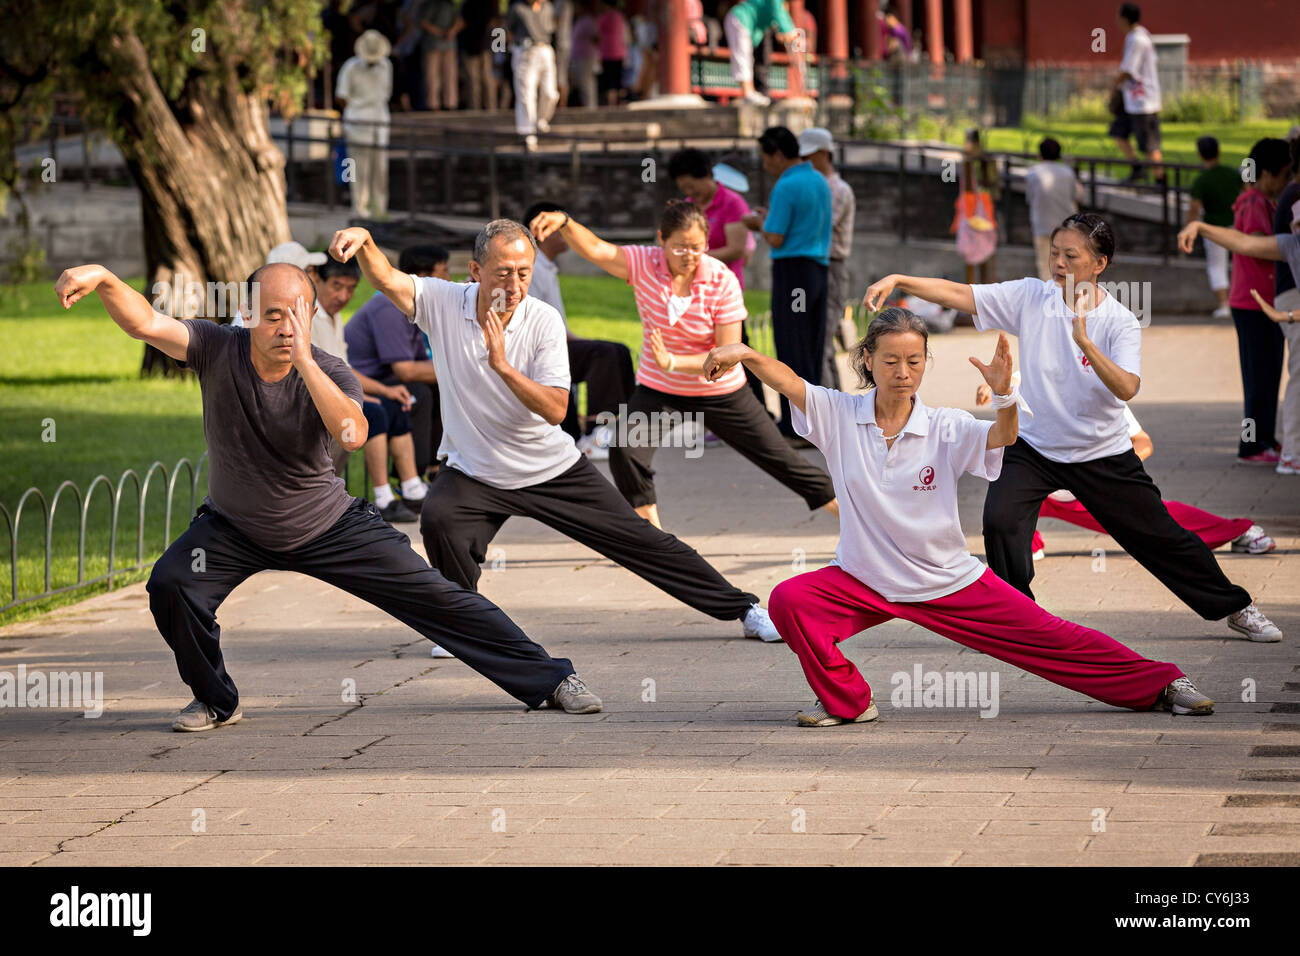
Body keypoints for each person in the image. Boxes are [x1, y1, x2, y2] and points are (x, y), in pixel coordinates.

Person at [53, 261, 604, 728]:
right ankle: (217, 699)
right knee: (172, 584)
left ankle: (553, 679)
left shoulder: (333, 372)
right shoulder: (217, 347)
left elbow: (353, 434)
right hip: (233, 526)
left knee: (440, 598)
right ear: (247, 315)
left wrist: (307, 363)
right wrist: (103, 278)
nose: (285, 328)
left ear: (312, 315)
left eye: (296, 315)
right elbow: (146, 322)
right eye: (272, 315)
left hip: (328, 527)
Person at [701, 308, 1215, 725]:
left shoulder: (945, 426)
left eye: (914, 361)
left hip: (946, 580)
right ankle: (849, 702)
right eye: (891, 361)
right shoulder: (838, 414)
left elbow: (1003, 437)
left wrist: (1006, 393)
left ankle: (1164, 682)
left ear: (925, 363)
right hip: (863, 577)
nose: (903, 372)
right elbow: (790, 382)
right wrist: (743, 352)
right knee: (792, 600)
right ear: (868, 360)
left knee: (1051, 636)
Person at [329, 219, 787, 643]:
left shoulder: (542, 320)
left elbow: (555, 409)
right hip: (475, 471)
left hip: (550, 468)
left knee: (644, 541)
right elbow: (387, 278)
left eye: (524, 273)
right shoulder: (443, 301)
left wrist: (503, 366)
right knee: (440, 518)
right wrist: (366, 241)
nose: (514, 285)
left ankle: (743, 609)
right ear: (474, 270)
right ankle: (462, 625)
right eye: (502, 272)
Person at [864, 212, 1284, 644]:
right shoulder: (1031, 297)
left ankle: (1235, 606)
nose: (1059, 263)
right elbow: (960, 293)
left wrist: (1085, 342)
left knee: (1161, 537)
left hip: (1100, 453)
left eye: (1071, 255)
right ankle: (1019, 620)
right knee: (1000, 521)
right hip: (1033, 446)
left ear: (1099, 263)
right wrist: (901, 279)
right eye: (1054, 253)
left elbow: (1127, 388)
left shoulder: (1119, 321)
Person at [531, 201, 838, 529]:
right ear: (661, 239)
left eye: (697, 247)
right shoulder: (643, 263)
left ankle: (857, 517)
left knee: (784, 462)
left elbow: (726, 354)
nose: (689, 255)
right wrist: (565, 220)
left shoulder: (721, 280)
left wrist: (673, 361)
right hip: (660, 389)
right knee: (625, 450)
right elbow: (596, 249)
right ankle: (652, 537)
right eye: (679, 247)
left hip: (722, 392)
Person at [975, 380, 1276, 558]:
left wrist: (1111, 471)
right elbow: (1002, 382)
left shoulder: (1099, 389)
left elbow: (1142, 442)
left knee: (1156, 520)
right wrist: (991, 386)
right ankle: (1025, 545)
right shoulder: (1028, 377)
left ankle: (1239, 531)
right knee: (1003, 498)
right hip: (1036, 486)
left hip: (1086, 487)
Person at [1179, 205, 1300, 477]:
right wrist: (1200, 227)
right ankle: (1290, 453)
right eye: (1295, 223)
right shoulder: (1292, 245)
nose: (1295, 227)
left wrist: (1286, 314)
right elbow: (1244, 242)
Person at [345, 245, 452, 522]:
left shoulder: (412, 306)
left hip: (385, 380)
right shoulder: (389, 306)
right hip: (362, 384)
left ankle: (427, 476)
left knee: (438, 389)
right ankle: (408, 482)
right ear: (422, 277)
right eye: (444, 273)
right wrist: (458, 368)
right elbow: (406, 371)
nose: (450, 279)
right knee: (415, 394)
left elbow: (422, 363)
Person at [523, 199, 635, 459]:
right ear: (543, 230)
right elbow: (536, 326)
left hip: (557, 343)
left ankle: (615, 424)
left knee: (615, 352)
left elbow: (559, 325)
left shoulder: (547, 268)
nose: (567, 235)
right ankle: (596, 432)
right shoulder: (533, 267)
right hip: (538, 352)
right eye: (561, 227)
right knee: (606, 354)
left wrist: (587, 342)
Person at [743, 126, 831, 441]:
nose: (765, 165)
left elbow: (776, 237)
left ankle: (795, 425)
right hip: (818, 271)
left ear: (778, 155)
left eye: (767, 158)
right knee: (811, 346)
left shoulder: (786, 185)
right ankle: (815, 421)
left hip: (793, 272)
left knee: (791, 346)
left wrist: (757, 223)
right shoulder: (819, 180)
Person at [668, 147, 766, 411]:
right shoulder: (688, 206)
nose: (691, 193)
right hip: (695, 294)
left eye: (693, 186)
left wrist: (694, 256)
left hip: (725, 294)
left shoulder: (732, 203)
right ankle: (713, 411)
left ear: (707, 175)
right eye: (684, 188)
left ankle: (758, 410)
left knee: (739, 352)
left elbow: (735, 249)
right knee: (706, 352)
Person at [1226, 137, 1291, 464]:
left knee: (1267, 375)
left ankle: (1264, 437)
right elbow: (1254, 244)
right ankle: (1251, 444)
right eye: (1284, 175)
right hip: (1254, 304)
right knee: (1258, 379)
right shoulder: (1253, 203)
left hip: (1261, 303)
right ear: (1266, 173)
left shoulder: (1259, 201)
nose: (1286, 183)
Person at [798, 127, 855, 390]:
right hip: (815, 268)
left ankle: (830, 413)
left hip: (831, 267)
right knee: (817, 342)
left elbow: (815, 226)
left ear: (823, 154)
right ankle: (833, 408)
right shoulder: (818, 187)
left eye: (807, 157)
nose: (803, 163)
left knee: (821, 343)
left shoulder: (837, 190)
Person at [335, 29, 392, 220]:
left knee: (380, 171)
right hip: (357, 124)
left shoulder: (386, 66)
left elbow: (386, 93)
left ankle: (379, 209)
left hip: (379, 124)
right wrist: (354, 111)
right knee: (358, 171)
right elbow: (341, 96)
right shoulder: (351, 67)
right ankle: (360, 209)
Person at [1185, 136, 1243, 319]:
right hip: (1236, 224)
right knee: (1241, 263)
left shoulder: (1202, 180)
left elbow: (1194, 208)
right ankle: (1240, 301)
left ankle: (1224, 304)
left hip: (1213, 228)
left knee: (1216, 266)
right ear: (1219, 151)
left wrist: (1188, 228)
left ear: (1200, 154)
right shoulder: (1232, 174)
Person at [1111, 3, 1163, 184]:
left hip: (1142, 102)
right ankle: (1137, 168)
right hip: (1132, 100)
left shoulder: (1137, 39)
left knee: (1149, 145)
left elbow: (1128, 69)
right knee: (1118, 132)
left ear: (1125, 18)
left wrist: (1114, 87)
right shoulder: (1134, 36)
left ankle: (1159, 180)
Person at [723, 0, 800, 107]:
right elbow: (779, 13)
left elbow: (780, 20)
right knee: (742, 55)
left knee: (750, 57)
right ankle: (748, 93)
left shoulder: (780, 5)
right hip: (739, 19)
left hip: (748, 26)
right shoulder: (776, 3)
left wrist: (785, 32)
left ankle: (751, 92)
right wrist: (789, 30)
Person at [1025, 137, 1081, 282]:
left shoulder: (1033, 173)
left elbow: (1030, 198)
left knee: (1045, 266)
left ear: (1040, 154)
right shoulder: (1068, 172)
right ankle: (1067, 300)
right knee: (1068, 265)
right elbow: (1077, 195)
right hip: (1067, 226)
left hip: (1042, 224)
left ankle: (1049, 300)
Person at [507, 0, 559, 150]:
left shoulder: (547, 7)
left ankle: (540, 120)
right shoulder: (517, 8)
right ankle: (527, 133)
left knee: (551, 93)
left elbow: (551, 28)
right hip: (524, 51)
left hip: (545, 50)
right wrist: (499, 54)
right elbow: (503, 30)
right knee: (526, 95)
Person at [420, 0, 463, 111]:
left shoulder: (451, 5)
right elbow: (423, 23)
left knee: (449, 75)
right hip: (433, 44)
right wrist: (440, 32)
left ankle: (450, 103)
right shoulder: (429, 4)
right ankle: (433, 104)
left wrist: (451, 31)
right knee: (432, 76)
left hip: (448, 44)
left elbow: (460, 21)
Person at [460, 0, 499, 111]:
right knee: (482, 79)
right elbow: (496, 25)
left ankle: (477, 108)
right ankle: (489, 107)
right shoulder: (489, 4)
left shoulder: (486, 4)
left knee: (477, 80)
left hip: (478, 46)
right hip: (478, 46)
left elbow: (496, 24)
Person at [595, 0, 627, 106]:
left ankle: (611, 104)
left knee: (610, 81)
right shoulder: (620, 16)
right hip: (619, 51)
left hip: (607, 52)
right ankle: (619, 102)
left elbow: (596, 33)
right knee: (618, 80)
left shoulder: (603, 17)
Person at [570, 1, 601, 108]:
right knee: (582, 83)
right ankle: (588, 106)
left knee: (587, 83)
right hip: (578, 57)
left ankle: (591, 107)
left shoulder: (588, 21)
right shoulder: (579, 20)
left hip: (587, 57)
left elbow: (597, 38)